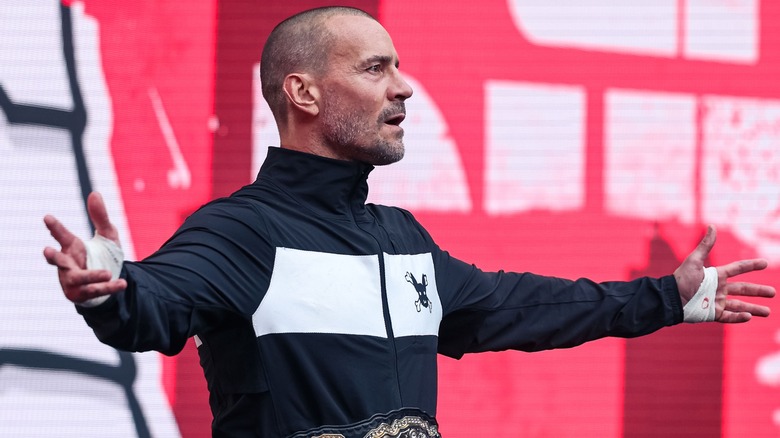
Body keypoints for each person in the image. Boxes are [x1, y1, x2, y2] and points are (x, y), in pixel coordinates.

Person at [43, 6, 775, 438]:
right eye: (373, 69)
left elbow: (520, 304)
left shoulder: (403, 241)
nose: (402, 88)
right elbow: (157, 307)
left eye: (397, 69)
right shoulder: (243, 233)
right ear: (301, 92)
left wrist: (666, 299)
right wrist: (116, 288)